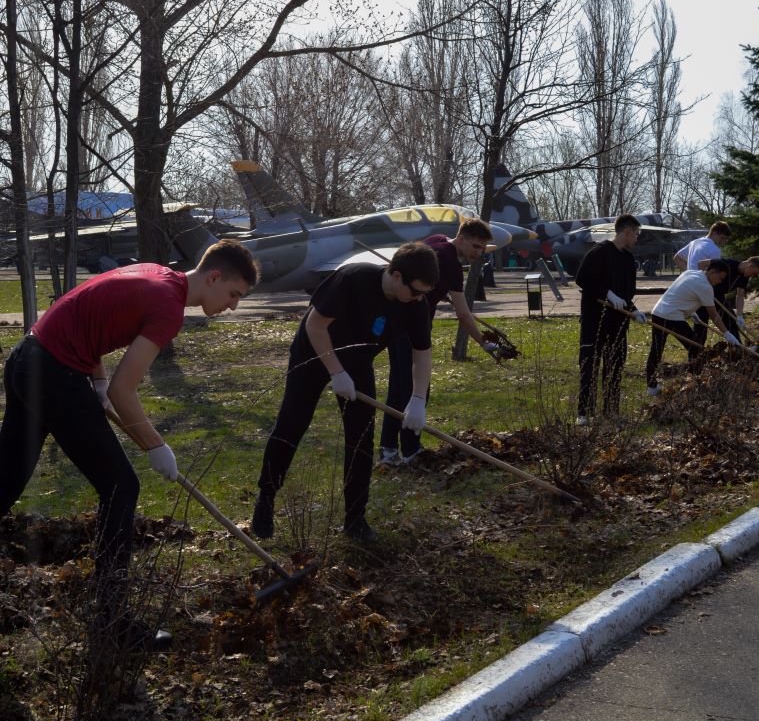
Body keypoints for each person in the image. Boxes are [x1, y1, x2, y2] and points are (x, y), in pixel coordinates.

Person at [0, 240, 259, 642]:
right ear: (213, 277)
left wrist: (97, 379)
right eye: (233, 294)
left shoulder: (155, 273)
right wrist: (156, 445)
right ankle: (110, 621)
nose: (233, 306)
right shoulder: (167, 309)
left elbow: (85, 311)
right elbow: (126, 391)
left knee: (6, 482)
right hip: (53, 374)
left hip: (26, 358)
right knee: (121, 486)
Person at [252, 242, 438, 545]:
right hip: (312, 354)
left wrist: (417, 398)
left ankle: (355, 519)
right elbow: (315, 325)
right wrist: (335, 372)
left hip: (357, 363)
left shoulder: (415, 304)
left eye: (424, 293)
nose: (419, 298)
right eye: (416, 290)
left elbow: (422, 354)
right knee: (291, 425)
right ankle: (266, 496)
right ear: (395, 274)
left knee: (361, 438)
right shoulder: (353, 279)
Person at [379, 218, 495, 465]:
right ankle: (411, 451)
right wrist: (484, 343)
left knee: (398, 387)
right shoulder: (451, 264)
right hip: (412, 327)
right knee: (415, 391)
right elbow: (463, 314)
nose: (479, 252)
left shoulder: (437, 240)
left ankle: (388, 451)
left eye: (483, 248)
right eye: (476, 246)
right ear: (461, 238)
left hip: (396, 324)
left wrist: (437, 294)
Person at [574, 214, 646, 423]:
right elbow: (583, 280)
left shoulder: (628, 259)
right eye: (636, 234)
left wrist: (633, 310)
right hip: (595, 321)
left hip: (617, 323)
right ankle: (584, 413)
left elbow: (627, 294)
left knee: (614, 366)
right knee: (590, 365)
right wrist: (607, 293)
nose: (637, 238)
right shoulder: (599, 252)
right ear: (626, 231)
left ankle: (610, 410)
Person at [645, 259, 740, 393]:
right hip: (672, 316)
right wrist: (727, 333)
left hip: (658, 312)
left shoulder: (690, 273)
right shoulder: (706, 287)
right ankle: (694, 381)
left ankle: (651, 386)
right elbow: (714, 316)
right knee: (696, 349)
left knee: (656, 350)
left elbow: (680, 293)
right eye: (720, 278)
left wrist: (691, 312)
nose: (720, 282)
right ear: (712, 272)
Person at [674, 221, 731, 346]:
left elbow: (677, 258)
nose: (722, 242)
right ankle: (697, 356)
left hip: (690, 285)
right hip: (703, 287)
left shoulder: (695, 242)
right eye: (722, 238)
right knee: (704, 324)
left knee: (698, 325)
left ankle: (694, 357)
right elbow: (715, 274)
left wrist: (689, 273)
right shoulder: (714, 250)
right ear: (715, 233)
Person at [697, 255, 759, 339]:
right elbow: (701, 263)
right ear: (750, 265)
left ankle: (737, 348)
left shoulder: (744, 277)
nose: (753, 276)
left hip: (718, 296)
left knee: (731, 322)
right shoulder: (727, 263)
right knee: (701, 325)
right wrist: (700, 282)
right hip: (703, 294)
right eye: (754, 273)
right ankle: (697, 350)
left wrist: (739, 315)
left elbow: (740, 295)